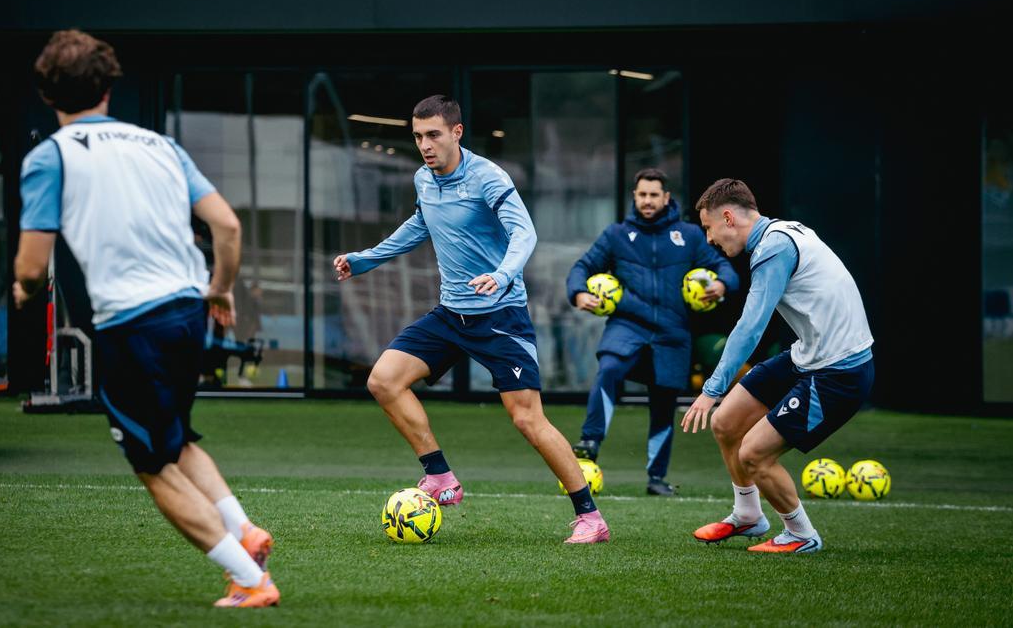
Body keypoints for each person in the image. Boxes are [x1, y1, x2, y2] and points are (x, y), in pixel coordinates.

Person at [12, 29, 280, 607]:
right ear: (109, 87)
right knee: (176, 439)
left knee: (151, 465)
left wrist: (21, 288)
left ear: (46, 93)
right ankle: (245, 531)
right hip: (188, 311)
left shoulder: (50, 156)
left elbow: (33, 267)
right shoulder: (161, 146)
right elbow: (228, 227)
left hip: (133, 324)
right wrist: (221, 290)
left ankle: (249, 579)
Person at [334, 95, 610, 544]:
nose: (425, 145)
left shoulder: (488, 177)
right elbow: (419, 226)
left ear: (456, 133)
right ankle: (440, 475)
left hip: (500, 316)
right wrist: (366, 260)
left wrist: (502, 276)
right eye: (418, 136)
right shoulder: (424, 178)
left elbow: (525, 232)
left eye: (433, 135)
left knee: (528, 421)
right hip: (451, 314)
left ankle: (590, 518)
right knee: (383, 380)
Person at [682, 178, 874, 553]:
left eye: (708, 228)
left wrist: (710, 390)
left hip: (840, 372)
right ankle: (748, 515)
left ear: (727, 217)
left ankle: (802, 534)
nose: (709, 240)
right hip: (809, 355)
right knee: (725, 424)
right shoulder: (781, 233)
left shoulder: (774, 247)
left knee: (753, 452)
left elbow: (751, 328)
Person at [565, 169, 738, 496]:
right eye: (642, 195)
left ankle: (656, 479)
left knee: (663, 403)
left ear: (666, 198)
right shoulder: (616, 235)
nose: (647, 201)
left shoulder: (689, 235)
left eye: (653, 195)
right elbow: (582, 268)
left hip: (672, 333)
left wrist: (721, 283)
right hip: (627, 325)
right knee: (610, 370)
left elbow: (725, 267)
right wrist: (578, 292)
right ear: (635, 197)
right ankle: (590, 440)